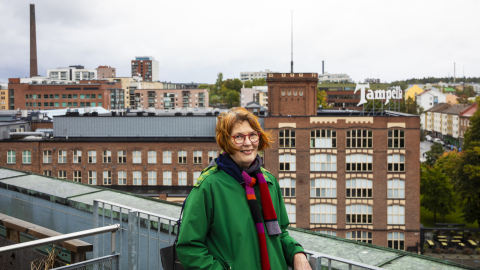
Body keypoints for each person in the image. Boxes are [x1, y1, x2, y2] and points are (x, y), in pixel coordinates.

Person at [176, 107, 311, 270]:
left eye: (252, 135)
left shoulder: (268, 182)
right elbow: (189, 247)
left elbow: (280, 233)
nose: (248, 143)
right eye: (238, 137)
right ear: (225, 141)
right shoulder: (209, 186)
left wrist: (297, 253)